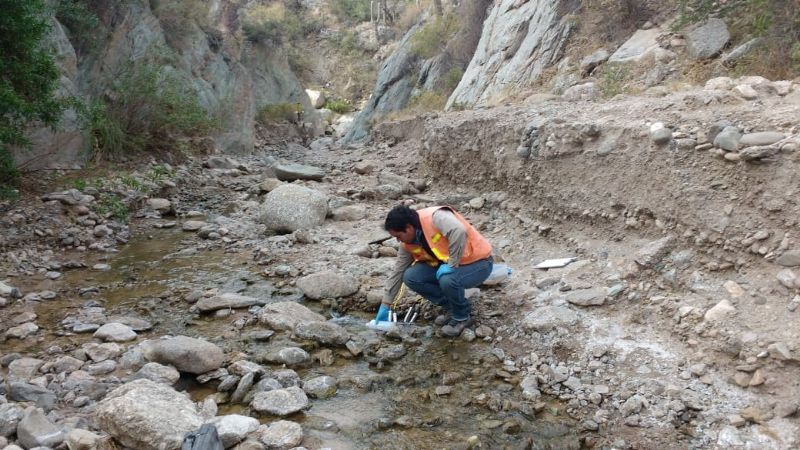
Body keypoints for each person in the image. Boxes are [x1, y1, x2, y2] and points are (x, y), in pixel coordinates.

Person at [377, 205, 493, 337]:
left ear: (408, 228)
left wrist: (452, 264)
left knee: (448, 279)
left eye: (398, 236)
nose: (398, 240)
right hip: (449, 266)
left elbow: (458, 230)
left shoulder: (436, 217)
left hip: (479, 263)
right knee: (410, 276)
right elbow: (398, 271)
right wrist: (386, 303)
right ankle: (452, 307)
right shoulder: (407, 244)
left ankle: (462, 316)